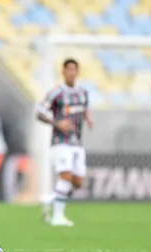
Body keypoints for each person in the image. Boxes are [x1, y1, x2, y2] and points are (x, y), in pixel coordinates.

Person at [36, 59, 93, 227]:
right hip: (60, 142)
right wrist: (57, 123)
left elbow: (84, 108)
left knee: (77, 182)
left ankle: (49, 199)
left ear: (77, 71)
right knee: (66, 177)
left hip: (77, 142)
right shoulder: (56, 92)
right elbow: (39, 113)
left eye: (74, 69)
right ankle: (57, 217)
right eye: (68, 69)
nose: (71, 72)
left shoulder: (83, 92)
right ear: (63, 71)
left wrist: (88, 118)